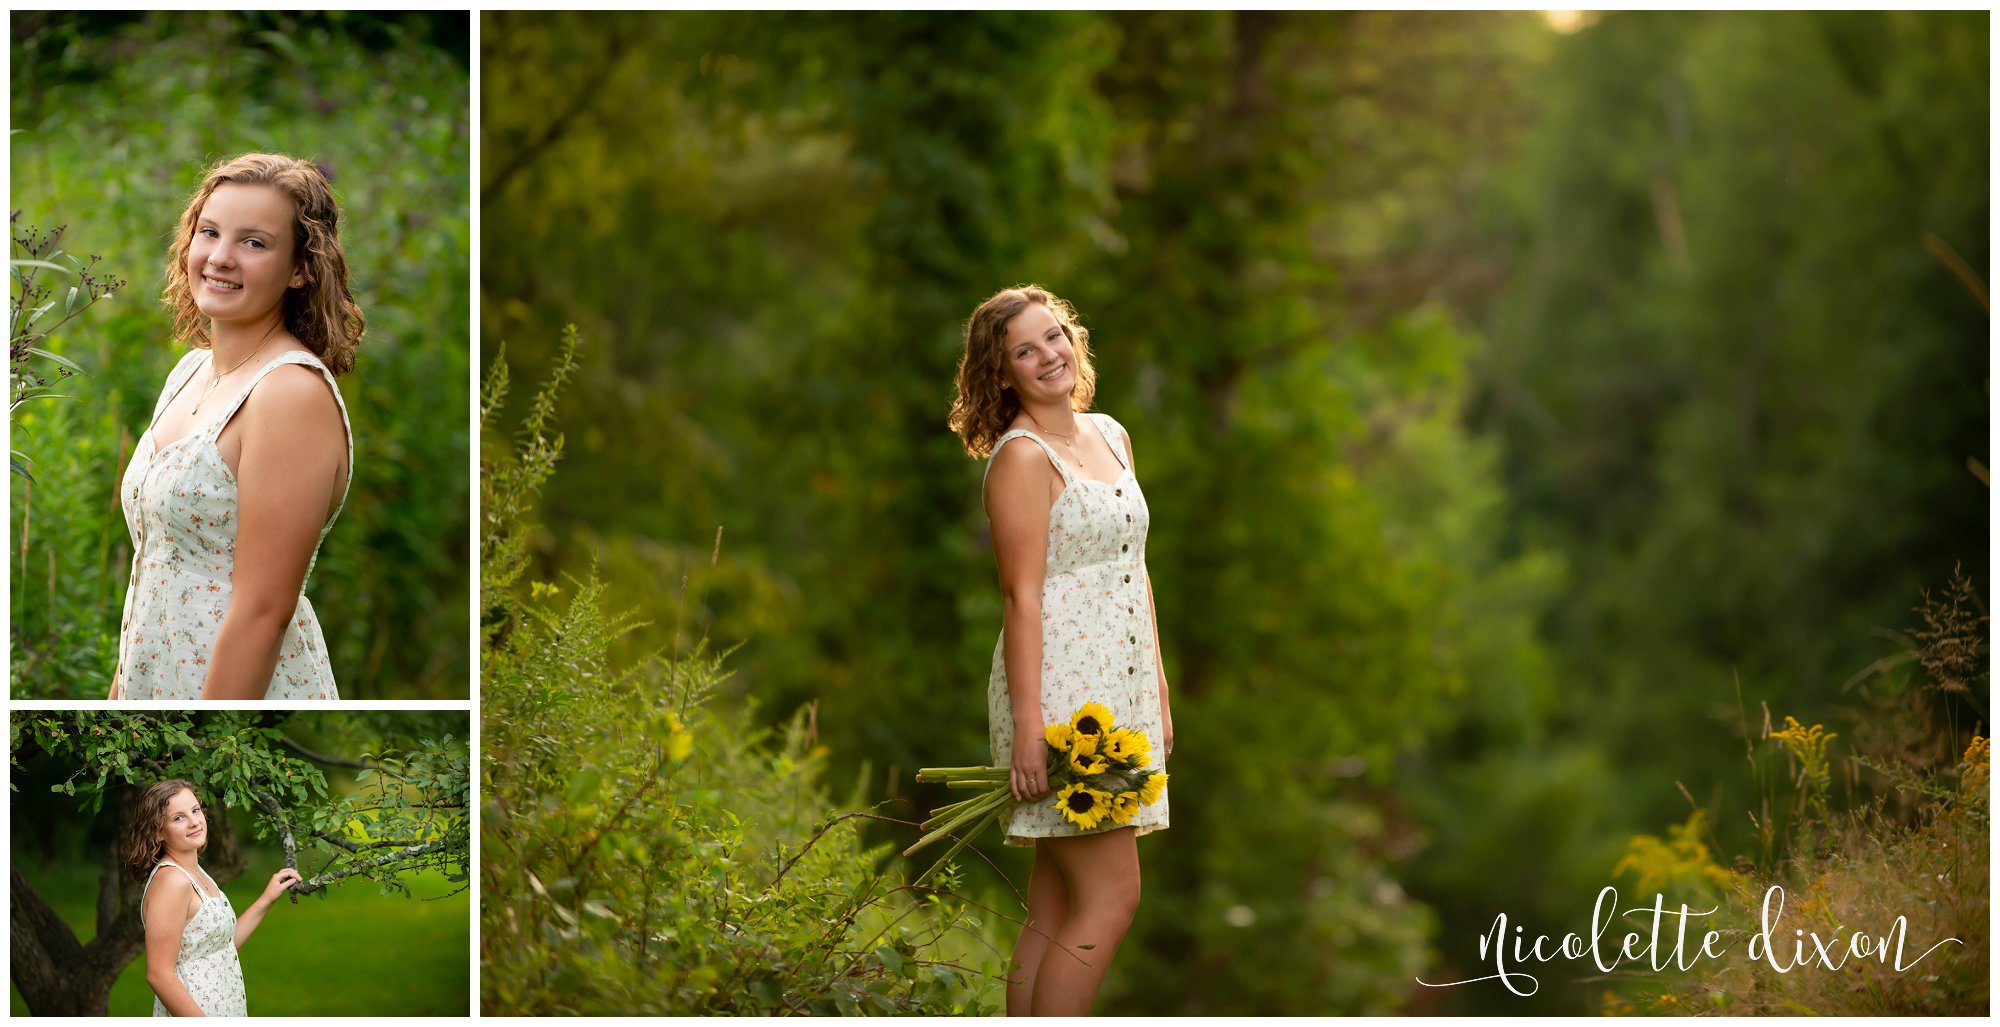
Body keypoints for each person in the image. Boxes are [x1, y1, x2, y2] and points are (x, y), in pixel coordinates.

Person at [947, 285, 1175, 1016]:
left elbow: (1135, 569)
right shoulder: (1021, 458)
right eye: (1024, 349)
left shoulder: (1112, 433)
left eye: (1054, 337)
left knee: (1053, 903)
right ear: (1002, 373)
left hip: (1124, 686)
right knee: (1113, 897)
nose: (1048, 355)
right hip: (1065, 698)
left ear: (1073, 340)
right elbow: (1021, 596)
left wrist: (1159, 697)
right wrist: (1026, 727)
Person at [109, 153, 362, 700]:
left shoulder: (290, 394)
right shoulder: (190, 371)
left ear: (300, 269)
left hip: (232, 693)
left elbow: (264, 612)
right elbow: (150, 577)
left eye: (253, 243)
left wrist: (208, 727)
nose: (220, 258)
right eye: (210, 233)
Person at [127, 779, 302, 1017]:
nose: (194, 822)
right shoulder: (172, 881)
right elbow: (159, 974)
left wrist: (265, 901)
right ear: (158, 832)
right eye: (178, 818)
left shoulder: (196, 871)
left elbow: (220, 945)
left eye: (195, 810)